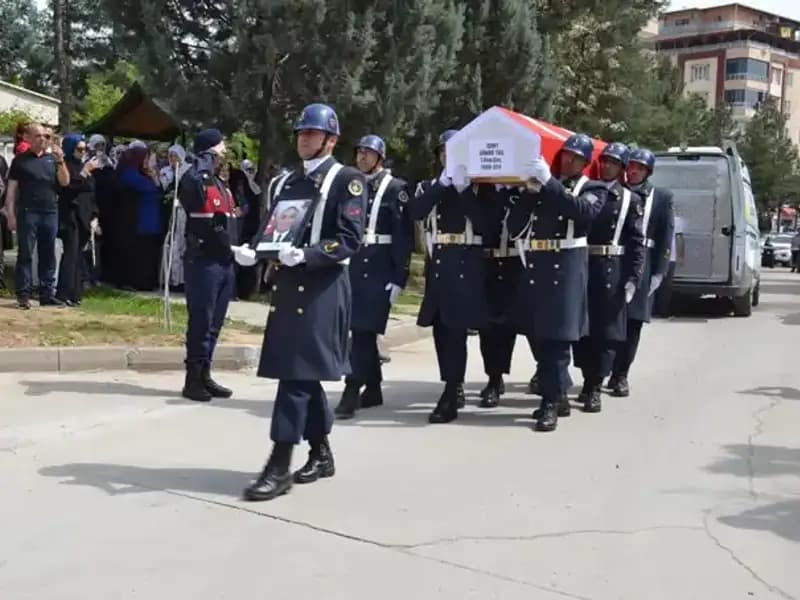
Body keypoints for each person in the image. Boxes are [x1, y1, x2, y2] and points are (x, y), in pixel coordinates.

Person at [236, 103, 367, 502]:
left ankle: (279, 464)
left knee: (294, 376)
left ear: (330, 139)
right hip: (289, 286)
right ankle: (321, 452)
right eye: (300, 133)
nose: (303, 139)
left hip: (324, 288)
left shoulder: (348, 180)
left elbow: (350, 237)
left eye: (311, 134)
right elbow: (275, 229)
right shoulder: (284, 182)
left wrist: (309, 255)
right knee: (302, 376)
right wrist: (255, 251)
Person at [507, 134, 608, 432]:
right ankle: (559, 390)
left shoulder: (594, 188)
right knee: (538, 334)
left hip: (565, 267)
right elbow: (515, 226)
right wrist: (529, 191)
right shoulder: (542, 187)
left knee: (557, 339)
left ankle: (550, 401)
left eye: (575, 157)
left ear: (585, 162)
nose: (568, 160)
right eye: (566, 154)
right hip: (537, 266)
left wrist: (548, 183)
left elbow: (584, 212)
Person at [410, 129, 489, 423]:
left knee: (455, 329)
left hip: (466, 261)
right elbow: (415, 212)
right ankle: (451, 383)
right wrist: (443, 186)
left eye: (453, 151)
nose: (447, 156)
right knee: (441, 329)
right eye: (443, 151)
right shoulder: (430, 186)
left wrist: (463, 191)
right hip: (439, 260)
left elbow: (486, 225)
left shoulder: (480, 186)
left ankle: (452, 389)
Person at [334, 134, 413, 419]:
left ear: (380, 157)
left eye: (368, 153)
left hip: (379, 267)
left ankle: (352, 390)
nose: (362, 157)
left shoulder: (396, 189)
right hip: (354, 265)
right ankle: (375, 387)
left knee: (364, 331)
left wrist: (399, 276)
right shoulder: (353, 184)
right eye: (360, 152)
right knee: (360, 331)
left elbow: (404, 237)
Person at [572, 142, 645, 413]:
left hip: (610, 268)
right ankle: (585, 377)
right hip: (582, 264)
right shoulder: (586, 191)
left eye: (613, 163)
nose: (607, 166)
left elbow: (637, 242)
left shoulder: (629, 200)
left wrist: (633, 278)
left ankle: (594, 387)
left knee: (605, 333)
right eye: (604, 161)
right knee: (581, 331)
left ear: (622, 168)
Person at [177, 129, 238, 402]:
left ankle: (205, 373)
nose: (224, 152)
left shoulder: (220, 183)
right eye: (220, 148)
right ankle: (192, 379)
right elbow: (189, 194)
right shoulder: (194, 179)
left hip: (224, 261)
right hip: (203, 261)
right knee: (201, 321)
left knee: (214, 323)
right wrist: (201, 165)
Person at [609, 148, 674, 396]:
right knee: (611, 319)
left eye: (639, 168)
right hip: (616, 260)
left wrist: (659, 272)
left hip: (643, 263)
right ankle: (603, 370)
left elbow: (665, 237)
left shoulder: (660, 197)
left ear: (648, 172)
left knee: (633, 323)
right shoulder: (616, 192)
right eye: (631, 167)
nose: (633, 171)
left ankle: (621, 375)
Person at [5, 123, 70, 309]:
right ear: (29, 138)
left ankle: (46, 293)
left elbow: (65, 182)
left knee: (48, 254)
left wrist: (61, 161)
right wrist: (10, 213)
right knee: (25, 253)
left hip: (50, 211)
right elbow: (12, 190)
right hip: (28, 212)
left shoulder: (52, 160)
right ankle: (23, 294)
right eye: (39, 136)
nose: (43, 139)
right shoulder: (20, 160)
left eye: (46, 136)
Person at [477, 184, 531, 408]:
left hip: (517, 263)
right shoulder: (482, 189)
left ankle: (551, 378)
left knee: (531, 325)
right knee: (489, 327)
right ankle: (494, 378)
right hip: (487, 263)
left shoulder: (525, 190)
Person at [56, 134, 98, 306]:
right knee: (70, 255)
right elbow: (69, 186)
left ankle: (76, 293)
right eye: (79, 149)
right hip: (71, 216)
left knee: (79, 255)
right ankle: (64, 292)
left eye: (84, 149)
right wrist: (84, 172)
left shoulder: (82, 166)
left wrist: (95, 216)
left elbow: (91, 192)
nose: (82, 153)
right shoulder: (66, 166)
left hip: (85, 216)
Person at [117, 142, 163, 290]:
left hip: (149, 220)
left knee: (148, 253)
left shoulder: (142, 174)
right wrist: (153, 178)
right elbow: (149, 188)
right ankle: (136, 282)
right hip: (138, 221)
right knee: (139, 254)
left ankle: (147, 281)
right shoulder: (129, 174)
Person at [160, 144, 191, 290]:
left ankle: (182, 279)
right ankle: (172, 279)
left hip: (184, 212)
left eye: (175, 156)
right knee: (171, 245)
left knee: (182, 245)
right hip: (170, 212)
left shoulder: (188, 170)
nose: (173, 159)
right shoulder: (166, 172)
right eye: (170, 156)